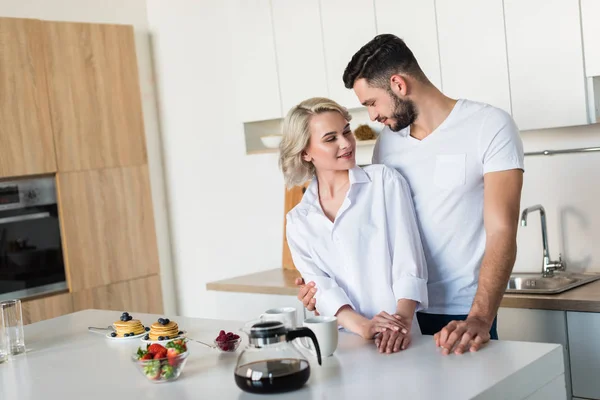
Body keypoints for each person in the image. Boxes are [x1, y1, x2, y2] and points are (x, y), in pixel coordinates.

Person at [296, 34, 524, 355]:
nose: (372, 117)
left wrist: (480, 317)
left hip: (462, 310)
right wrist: (318, 289)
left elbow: (502, 230)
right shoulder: (387, 144)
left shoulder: (489, 126)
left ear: (398, 85)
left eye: (371, 103)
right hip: (396, 315)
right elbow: (369, 231)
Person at [280, 97, 428, 354]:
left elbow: (409, 262)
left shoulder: (384, 182)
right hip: (344, 344)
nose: (346, 143)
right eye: (330, 138)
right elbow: (321, 287)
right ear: (305, 152)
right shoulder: (298, 220)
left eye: (346, 131)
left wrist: (401, 320)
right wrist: (364, 327)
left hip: (399, 338)